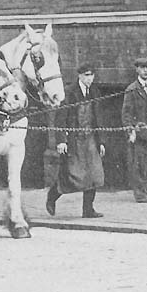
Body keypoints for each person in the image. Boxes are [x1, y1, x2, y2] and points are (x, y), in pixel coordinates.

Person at [46, 64, 106, 218]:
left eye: (92, 75)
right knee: (71, 176)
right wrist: (61, 141)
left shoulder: (95, 92)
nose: (89, 79)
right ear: (79, 75)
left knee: (94, 174)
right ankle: (52, 197)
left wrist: (101, 142)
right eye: (86, 75)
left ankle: (88, 210)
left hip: (90, 138)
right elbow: (60, 118)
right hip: (74, 140)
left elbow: (98, 118)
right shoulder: (69, 92)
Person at [122, 57, 147, 203]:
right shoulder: (132, 89)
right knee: (138, 162)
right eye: (143, 67)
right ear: (137, 69)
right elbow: (126, 113)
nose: (146, 71)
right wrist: (130, 131)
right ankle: (139, 192)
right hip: (138, 133)